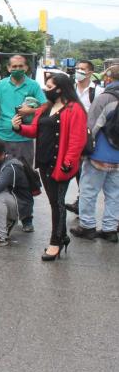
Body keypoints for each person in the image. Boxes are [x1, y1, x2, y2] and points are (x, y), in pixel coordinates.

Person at [13, 73, 86, 260]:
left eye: (49, 86)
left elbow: (77, 142)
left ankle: (56, 242)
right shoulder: (46, 108)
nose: (46, 89)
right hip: (45, 163)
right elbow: (36, 131)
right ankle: (63, 236)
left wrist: (67, 165)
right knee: (55, 202)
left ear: (60, 89)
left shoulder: (74, 109)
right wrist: (19, 128)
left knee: (57, 204)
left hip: (61, 165)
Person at [0, 54, 46, 231]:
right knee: (1, 179)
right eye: (13, 67)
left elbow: (45, 106)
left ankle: (26, 218)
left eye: (20, 66)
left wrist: (29, 110)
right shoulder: (0, 86)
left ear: (26, 68)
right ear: (8, 68)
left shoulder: (33, 85)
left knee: (25, 180)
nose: (17, 69)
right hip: (3, 138)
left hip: (24, 138)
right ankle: (2, 217)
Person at [71, 65, 119, 242]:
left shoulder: (105, 97)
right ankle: (110, 229)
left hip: (99, 154)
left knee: (89, 191)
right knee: (114, 194)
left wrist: (83, 151)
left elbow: (91, 127)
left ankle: (87, 226)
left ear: (108, 79)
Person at [66, 60, 104, 214]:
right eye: (77, 69)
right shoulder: (71, 89)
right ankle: (80, 201)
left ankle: (83, 204)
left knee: (86, 171)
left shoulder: (98, 91)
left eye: (82, 69)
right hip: (71, 135)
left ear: (90, 72)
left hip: (89, 137)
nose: (78, 71)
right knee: (75, 169)